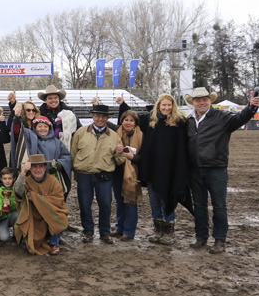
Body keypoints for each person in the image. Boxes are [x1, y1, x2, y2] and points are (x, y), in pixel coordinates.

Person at [186, 87, 259, 254]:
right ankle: (201, 236)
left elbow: (240, 118)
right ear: (193, 103)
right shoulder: (189, 120)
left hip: (216, 169)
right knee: (199, 206)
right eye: (198, 100)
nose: (202, 102)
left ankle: (220, 240)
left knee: (219, 206)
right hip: (195, 170)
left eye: (205, 99)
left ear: (210, 100)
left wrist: (251, 107)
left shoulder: (222, 117)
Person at [118, 93, 192, 245]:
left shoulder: (179, 123)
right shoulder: (150, 122)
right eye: (163, 105)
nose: (166, 108)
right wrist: (122, 104)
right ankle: (158, 230)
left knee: (167, 200)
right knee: (154, 201)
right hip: (152, 169)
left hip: (170, 170)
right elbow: (131, 118)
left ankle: (169, 232)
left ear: (173, 107)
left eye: (169, 105)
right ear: (158, 106)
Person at [71, 104, 125, 244]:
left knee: (106, 204)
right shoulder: (80, 132)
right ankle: (88, 232)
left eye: (103, 116)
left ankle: (105, 232)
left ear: (107, 118)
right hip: (84, 174)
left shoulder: (114, 136)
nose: (100, 118)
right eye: (97, 116)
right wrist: (74, 171)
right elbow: (73, 152)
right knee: (84, 204)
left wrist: (120, 154)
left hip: (104, 175)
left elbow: (120, 160)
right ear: (92, 116)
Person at [14, 155, 69, 255]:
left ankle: (54, 243)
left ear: (44, 167)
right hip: (33, 214)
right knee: (33, 243)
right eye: (34, 167)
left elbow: (58, 200)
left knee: (61, 215)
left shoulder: (53, 181)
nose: (37, 170)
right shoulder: (27, 180)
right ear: (30, 168)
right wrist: (23, 172)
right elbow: (18, 192)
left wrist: (36, 197)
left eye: (40, 166)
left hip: (50, 211)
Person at [18, 116, 72, 197]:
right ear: (35, 127)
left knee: (53, 198)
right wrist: (17, 116)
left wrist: (59, 164)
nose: (43, 129)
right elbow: (18, 130)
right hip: (35, 175)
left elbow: (66, 156)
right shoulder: (30, 139)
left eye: (45, 126)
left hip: (52, 176)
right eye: (40, 126)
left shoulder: (57, 142)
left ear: (49, 128)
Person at [110, 110, 143, 241]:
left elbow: (144, 156)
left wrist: (133, 157)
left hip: (133, 172)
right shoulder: (115, 134)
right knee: (119, 201)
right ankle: (119, 227)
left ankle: (129, 231)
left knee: (130, 201)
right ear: (121, 121)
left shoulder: (141, 135)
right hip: (117, 171)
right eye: (126, 120)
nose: (128, 123)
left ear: (135, 123)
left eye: (131, 120)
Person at [0, 167, 18, 244]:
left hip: (14, 215)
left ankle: (16, 234)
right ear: (1, 179)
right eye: (5, 178)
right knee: (4, 238)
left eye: (10, 178)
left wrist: (11, 203)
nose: (7, 181)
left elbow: (18, 204)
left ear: (14, 179)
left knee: (18, 215)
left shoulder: (16, 189)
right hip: (3, 218)